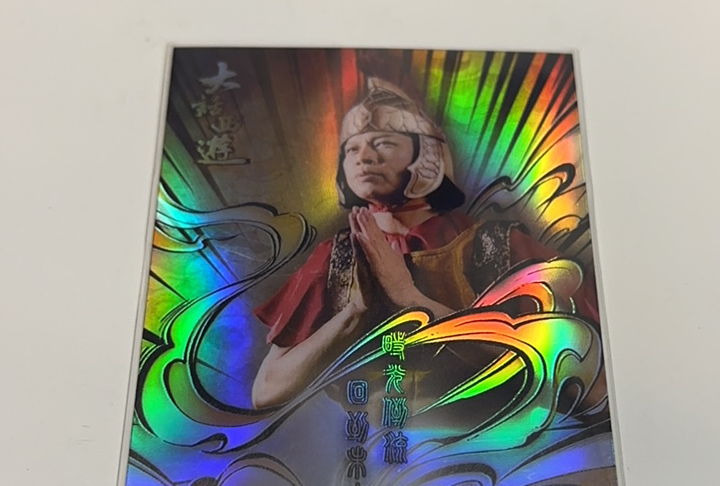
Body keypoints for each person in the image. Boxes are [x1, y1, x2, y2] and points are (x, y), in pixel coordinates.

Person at [251, 78, 601, 413]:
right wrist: (352, 314)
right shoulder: (336, 257)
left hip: (493, 443)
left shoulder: (496, 246)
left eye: (384, 143)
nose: (364, 157)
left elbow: (573, 374)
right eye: (352, 148)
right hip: (372, 444)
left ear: (428, 152)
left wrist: (414, 301)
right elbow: (266, 390)